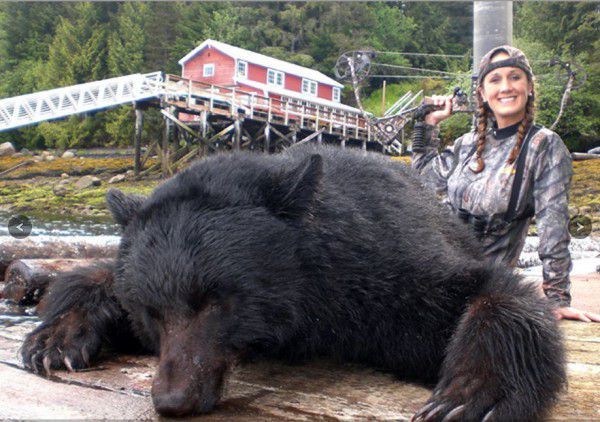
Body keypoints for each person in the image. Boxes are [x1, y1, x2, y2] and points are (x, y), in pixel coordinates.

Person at [411, 45, 600, 322]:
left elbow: (553, 227)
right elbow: (421, 183)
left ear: (530, 86)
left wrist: (557, 298)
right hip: (436, 281)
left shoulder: (544, 145)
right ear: (483, 94)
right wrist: (428, 125)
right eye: (495, 80)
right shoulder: (466, 145)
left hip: (486, 296)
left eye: (515, 77)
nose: (506, 87)